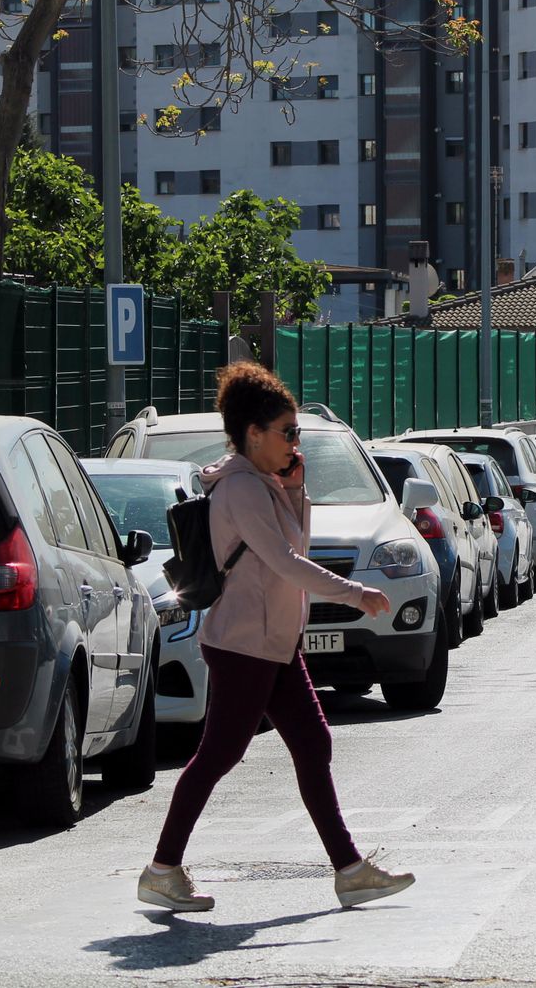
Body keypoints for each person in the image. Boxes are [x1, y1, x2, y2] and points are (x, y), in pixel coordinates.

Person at [139, 361, 413, 913]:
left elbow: (294, 547)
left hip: (273, 640)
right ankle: (162, 869)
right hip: (245, 642)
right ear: (254, 434)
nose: (294, 442)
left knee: (312, 745)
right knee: (218, 756)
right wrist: (355, 593)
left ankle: (349, 870)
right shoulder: (241, 487)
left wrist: (295, 489)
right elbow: (286, 563)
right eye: (287, 432)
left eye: (296, 433)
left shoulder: (263, 484)